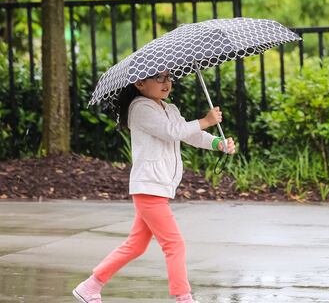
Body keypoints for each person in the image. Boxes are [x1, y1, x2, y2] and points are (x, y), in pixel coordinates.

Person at [72, 71, 236, 303]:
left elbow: (190, 135)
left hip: (157, 187)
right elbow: (171, 132)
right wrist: (206, 120)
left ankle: (90, 287)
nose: (166, 83)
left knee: (136, 245)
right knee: (174, 244)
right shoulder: (140, 108)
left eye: (169, 78)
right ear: (140, 83)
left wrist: (218, 143)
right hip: (149, 187)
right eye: (159, 78)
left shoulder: (169, 108)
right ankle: (184, 298)